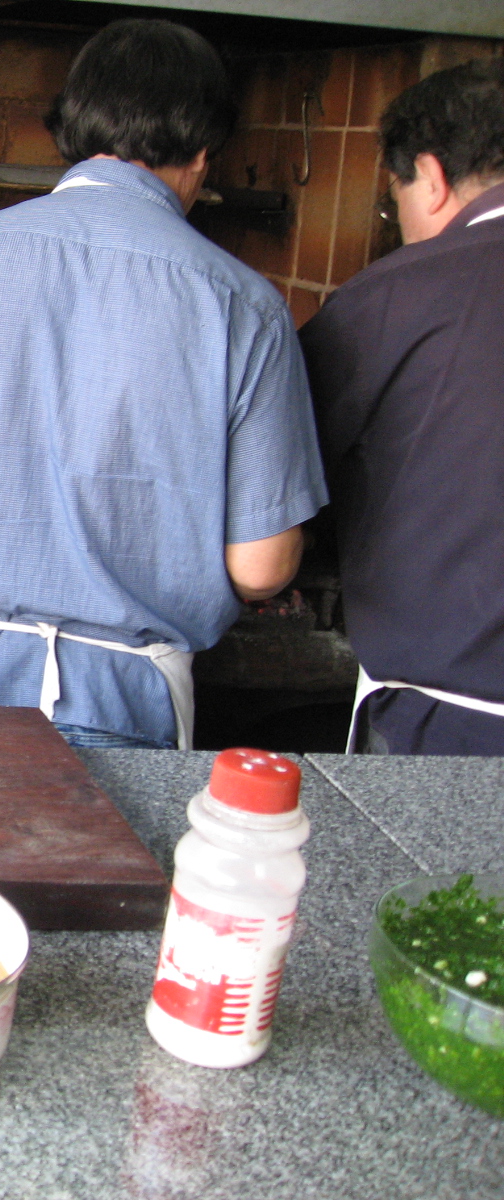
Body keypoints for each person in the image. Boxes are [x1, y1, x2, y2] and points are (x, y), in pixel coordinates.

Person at [0, 19, 327, 750]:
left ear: (71, 130)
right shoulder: (244, 303)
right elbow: (261, 565)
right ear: (201, 153)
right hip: (134, 702)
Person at [299, 60, 504, 756]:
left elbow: (285, 470)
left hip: (452, 729)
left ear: (433, 175)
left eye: (397, 202)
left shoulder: (395, 295)